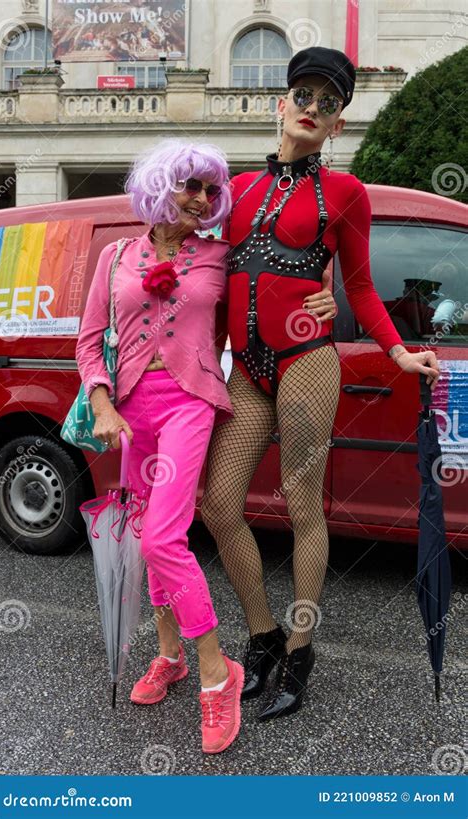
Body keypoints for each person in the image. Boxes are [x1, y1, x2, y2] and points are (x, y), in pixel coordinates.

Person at [201, 46, 441, 722]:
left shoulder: (346, 193)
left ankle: (301, 648)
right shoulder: (235, 189)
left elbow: (359, 285)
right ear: (281, 104)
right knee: (219, 504)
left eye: (328, 103)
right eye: (303, 96)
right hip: (246, 369)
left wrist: (397, 352)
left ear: (338, 124)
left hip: (306, 360)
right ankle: (262, 633)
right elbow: (211, 280)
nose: (312, 108)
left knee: (304, 505)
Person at [76, 140, 247, 754]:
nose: (201, 199)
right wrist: (101, 403)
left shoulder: (223, 257)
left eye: (210, 190)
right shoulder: (115, 256)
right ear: (159, 185)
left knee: (160, 538)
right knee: (149, 536)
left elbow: (257, 315)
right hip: (131, 413)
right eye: (189, 185)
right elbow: (89, 341)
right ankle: (169, 656)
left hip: (189, 401)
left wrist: (320, 295)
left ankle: (216, 674)